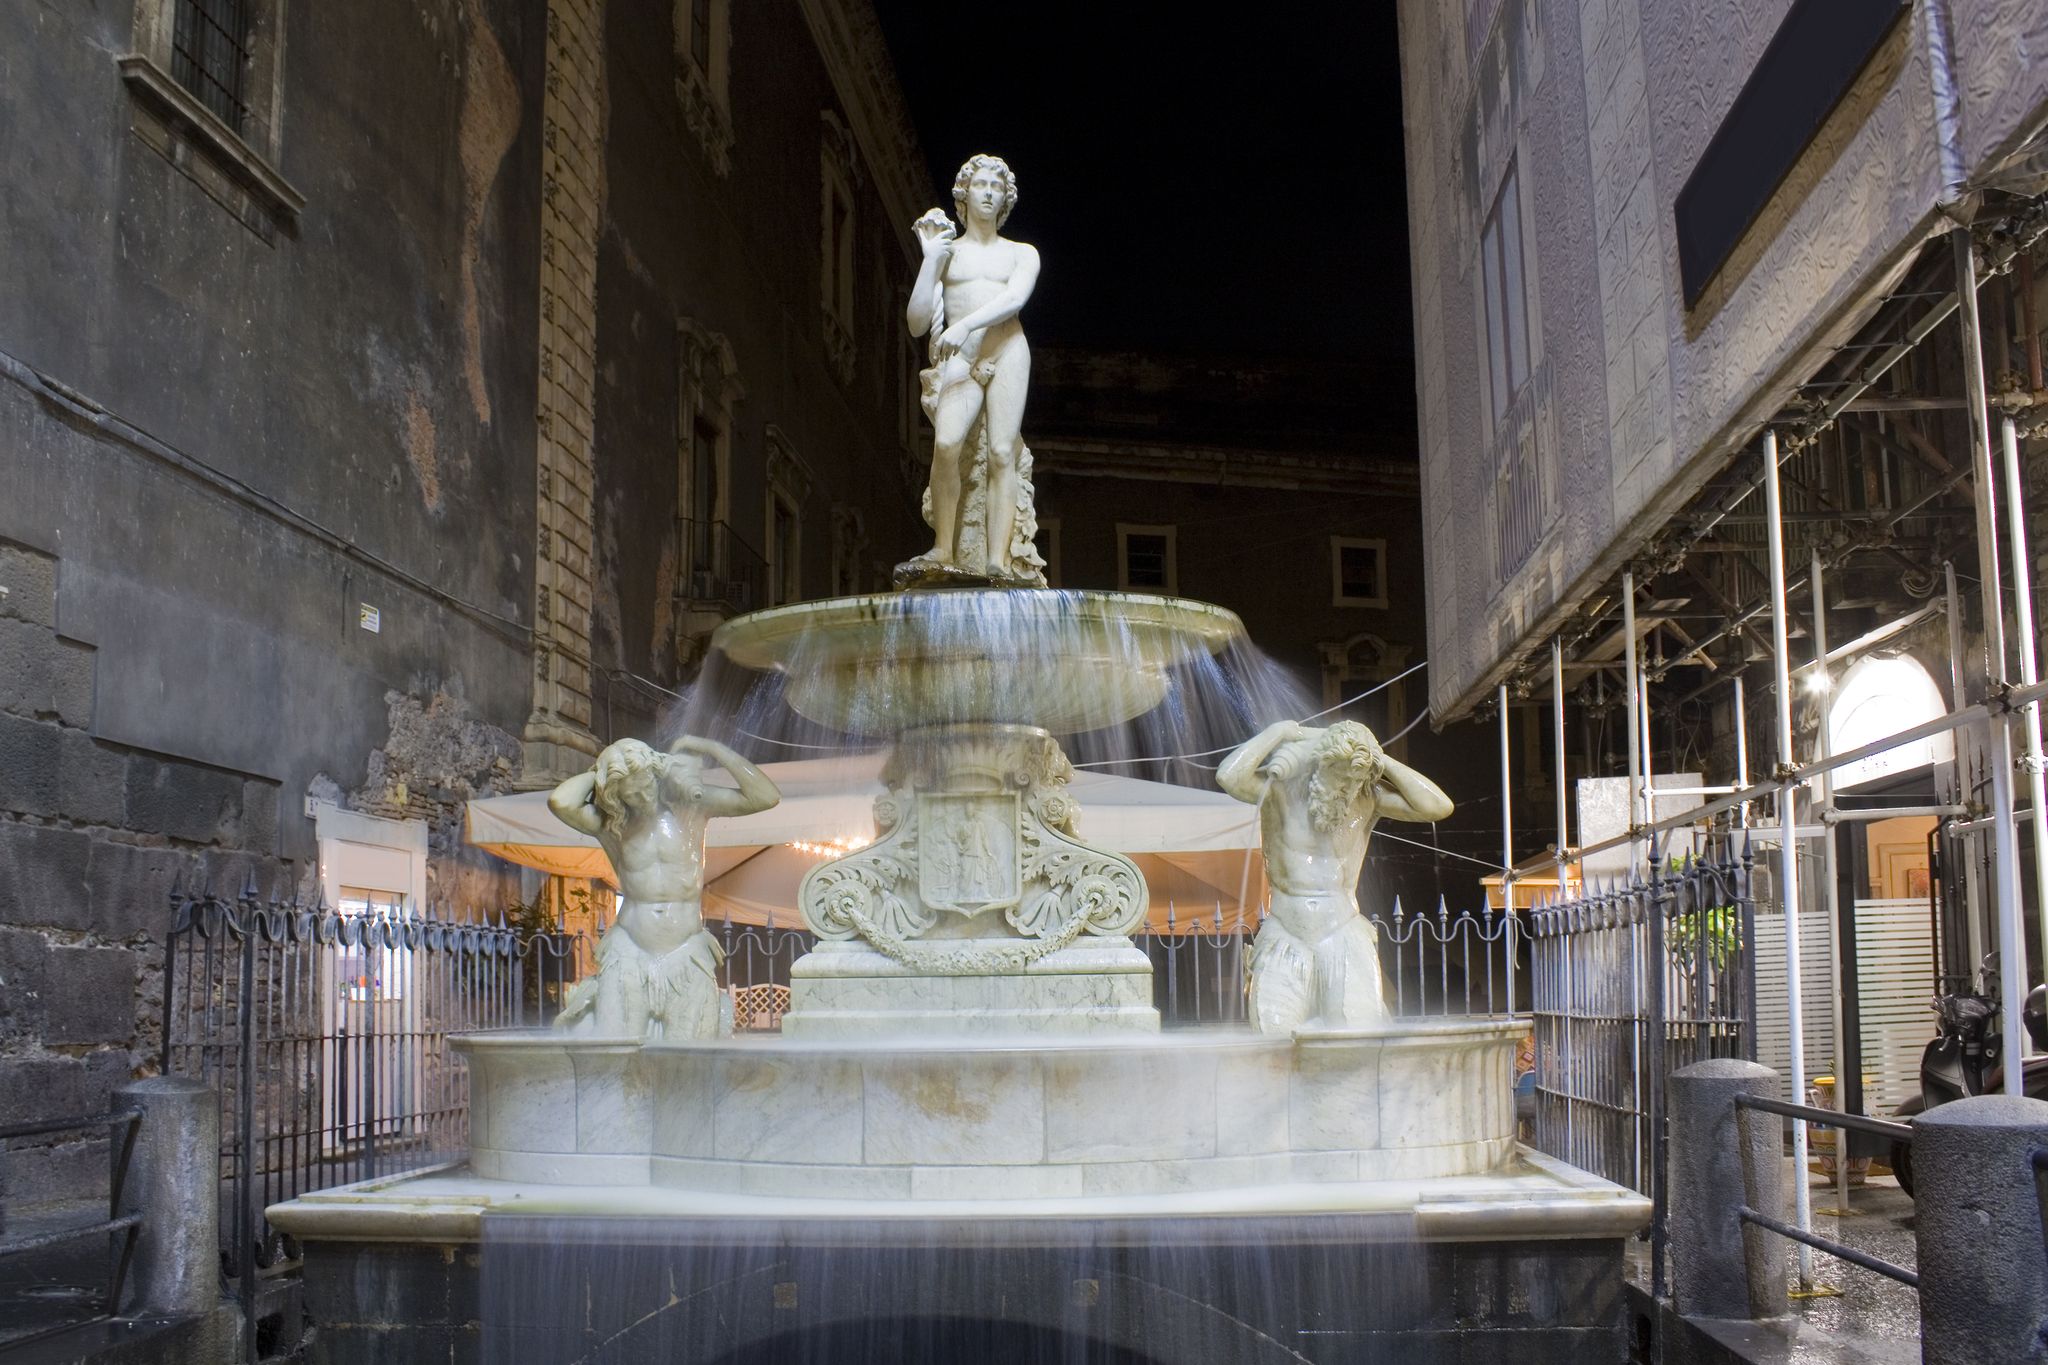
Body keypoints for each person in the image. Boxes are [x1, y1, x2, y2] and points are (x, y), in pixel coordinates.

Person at [1217, 720, 1453, 1032]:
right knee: (1272, 1036)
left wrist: (1382, 761)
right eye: (1339, 776)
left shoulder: (1368, 799)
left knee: (1356, 1035)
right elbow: (1228, 776)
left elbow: (1438, 806)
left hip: (1343, 932)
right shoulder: (1280, 791)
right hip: (1287, 932)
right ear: (1321, 763)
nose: (1346, 787)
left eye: (1355, 780)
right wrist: (1279, 733)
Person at [548, 735, 779, 1039]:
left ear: (657, 774)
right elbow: (560, 801)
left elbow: (765, 796)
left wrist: (711, 746)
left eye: (646, 786)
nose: (643, 798)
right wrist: (604, 769)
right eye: (631, 795)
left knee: (690, 1059)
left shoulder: (692, 808)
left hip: (686, 949)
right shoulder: (612, 825)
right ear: (617, 796)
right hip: (629, 949)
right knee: (614, 1052)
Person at [903, 154, 1042, 582]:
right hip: (961, 359)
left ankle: (997, 561)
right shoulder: (948, 254)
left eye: (996, 187)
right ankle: (943, 546)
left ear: (1006, 198)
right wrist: (929, 259)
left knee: (1003, 452)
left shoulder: (1022, 254)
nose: (987, 191)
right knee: (945, 443)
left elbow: (1013, 301)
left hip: (1006, 349)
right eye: (979, 184)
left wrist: (964, 325)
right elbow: (917, 322)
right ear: (963, 194)